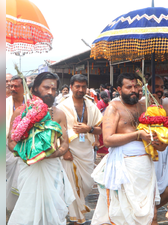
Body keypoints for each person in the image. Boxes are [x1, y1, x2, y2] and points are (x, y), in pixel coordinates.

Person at [91, 73, 167, 225]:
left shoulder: (144, 106)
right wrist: (138, 134)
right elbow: (107, 139)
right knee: (121, 214)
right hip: (124, 168)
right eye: (129, 87)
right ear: (119, 89)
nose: (134, 90)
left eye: (136, 86)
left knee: (148, 212)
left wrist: (160, 141)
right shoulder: (113, 108)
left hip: (146, 167)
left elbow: (157, 135)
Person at [7, 72, 75, 225]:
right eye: (46, 88)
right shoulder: (21, 112)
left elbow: (65, 144)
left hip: (52, 168)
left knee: (54, 211)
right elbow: (10, 142)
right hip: (28, 167)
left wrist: (51, 154)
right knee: (28, 208)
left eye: (54, 89)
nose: (50, 92)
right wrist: (28, 154)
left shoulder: (59, 114)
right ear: (35, 89)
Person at [57, 74, 103, 224]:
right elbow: (57, 132)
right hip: (69, 150)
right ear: (71, 87)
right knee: (71, 185)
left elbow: (100, 129)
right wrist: (65, 151)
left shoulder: (91, 105)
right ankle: (75, 217)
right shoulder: (62, 106)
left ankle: (76, 210)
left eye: (83, 86)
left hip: (87, 151)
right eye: (77, 86)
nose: (80, 89)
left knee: (88, 184)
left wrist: (88, 128)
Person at [141, 75, 168, 223]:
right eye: (156, 86)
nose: (159, 89)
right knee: (149, 190)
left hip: (166, 150)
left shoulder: (167, 102)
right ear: (149, 88)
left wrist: (159, 107)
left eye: (161, 86)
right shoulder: (141, 103)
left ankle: (152, 209)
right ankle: (151, 214)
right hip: (149, 150)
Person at [6, 75, 26, 213]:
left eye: (16, 86)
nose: (13, 88)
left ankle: (20, 209)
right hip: (5, 148)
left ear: (24, 87)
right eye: (11, 86)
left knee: (23, 178)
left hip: (25, 147)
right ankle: (8, 207)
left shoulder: (32, 104)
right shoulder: (4, 102)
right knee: (7, 178)